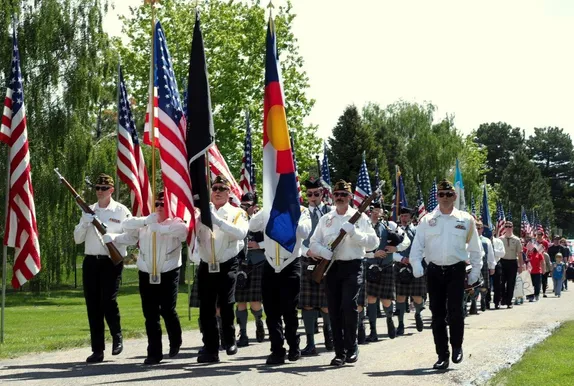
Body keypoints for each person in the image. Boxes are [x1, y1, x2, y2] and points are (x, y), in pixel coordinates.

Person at [410, 179, 482, 370]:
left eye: (449, 194)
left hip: (456, 270)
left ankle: (457, 345)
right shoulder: (426, 220)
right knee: (437, 314)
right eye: (441, 194)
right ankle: (442, 355)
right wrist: (416, 264)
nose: (445, 198)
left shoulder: (465, 219)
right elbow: (417, 246)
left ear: (455, 196)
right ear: (437, 196)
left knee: (456, 311)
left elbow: (475, 248)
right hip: (434, 270)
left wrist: (475, 270)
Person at [310, 180, 378, 366]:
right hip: (331, 268)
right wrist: (323, 251)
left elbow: (374, 243)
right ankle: (339, 352)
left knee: (349, 305)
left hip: (353, 266)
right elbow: (313, 242)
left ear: (350, 197)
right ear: (333, 196)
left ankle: (352, 346)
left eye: (343, 195)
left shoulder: (360, 218)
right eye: (337, 194)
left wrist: (355, 233)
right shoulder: (326, 219)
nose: (339, 197)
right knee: (334, 309)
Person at [73, 173, 134, 363]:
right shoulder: (89, 210)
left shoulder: (121, 211)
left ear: (111, 190)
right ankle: (97, 349)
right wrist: (85, 221)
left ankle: (117, 335)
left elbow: (132, 237)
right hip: (91, 261)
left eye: (103, 188)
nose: (99, 192)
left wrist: (114, 237)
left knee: (108, 301)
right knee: (93, 306)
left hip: (111, 261)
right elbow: (77, 239)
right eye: (97, 188)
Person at [121, 191, 187, 364]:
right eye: (156, 204)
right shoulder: (146, 222)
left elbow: (184, 232)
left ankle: (175, 339)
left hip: (168, 272)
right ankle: (154, 352)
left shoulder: (176, 222)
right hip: (146, 272)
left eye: (162, 204)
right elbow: (126, 224)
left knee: (167, 309)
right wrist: (145, 221)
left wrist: (163, 229)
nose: (158, 207)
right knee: (150, 314)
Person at [249, 197, 311, 365]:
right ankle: (277, 349)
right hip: (270, 263)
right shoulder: (268, 210)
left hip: (290, 263)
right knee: (271, 311)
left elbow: (304, 232)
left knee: (289, 310)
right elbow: (253, 225)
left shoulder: (303, 211)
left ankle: (293, 346)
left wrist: (290, 212)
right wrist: (268, 209)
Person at [195, 175, 249, 363]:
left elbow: (241, 233)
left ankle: (229, 339)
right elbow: (192, 235)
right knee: (206, 309)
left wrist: (216, 219)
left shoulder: (237, 213)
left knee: (226, 304)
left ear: (229, 192)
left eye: (221, 189)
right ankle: (210, 347)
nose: (217, 192)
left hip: (227, 263)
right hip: (206, 263)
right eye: (215, 188)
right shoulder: (199, 212)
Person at [364, 206, 410, 341]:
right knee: (371, 298)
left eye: (379, 210)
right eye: (373, 210)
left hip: (386, 266)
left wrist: (396, 248)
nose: (376, 213)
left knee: (386, 300)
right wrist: (372, 254)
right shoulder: (364, 224)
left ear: (383, 212)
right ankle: (373, 331)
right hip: (370, 265)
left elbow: (406, 241)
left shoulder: (390, 225)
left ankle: (389, 320)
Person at [299, 177, 333, 356]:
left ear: (322, 193)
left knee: (326, 304)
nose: (313, 197)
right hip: (307, 260)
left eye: (316, 194)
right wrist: (307, 252)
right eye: (310, 194)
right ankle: (310, 342)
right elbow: (295, 240)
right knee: (308, 305)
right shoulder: (300, 213)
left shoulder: (330, 212)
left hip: (327, 261)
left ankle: (330, 335)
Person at [235, 193, 266, 347]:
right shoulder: (237, 219)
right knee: (240, 300)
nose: (244, 208)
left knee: (255, 301)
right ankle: (243, 333)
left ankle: (259, 321)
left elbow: (272, 239)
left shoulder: (261, 220)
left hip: (258, 263)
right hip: (241, 263)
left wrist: (259, 245)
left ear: (255, 206)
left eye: (248, 205)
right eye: (243, 205)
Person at [395, 207, 426, 334]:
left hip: (416, 265)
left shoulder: (418, 231)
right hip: (400, 266)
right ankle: (401, 324)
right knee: (400, 296)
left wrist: (414, 259)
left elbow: (424, 248)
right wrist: (401, 258)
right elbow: (391, 250)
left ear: (411, 217)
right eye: (402, 216)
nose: (404, 218)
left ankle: (418, 314)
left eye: (406, 216)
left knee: (417, 296)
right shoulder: (395, 231)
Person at [498, 221, 524, 309]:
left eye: (510, 226)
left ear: (512, 228)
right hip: (502, 262)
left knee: (511, 283)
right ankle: (503, 299)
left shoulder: (516, 239)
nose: (508, 228)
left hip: (512, 262)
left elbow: (519, 254)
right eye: (506, 226)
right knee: (501, 283)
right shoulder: (500, 239)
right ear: (504, 228)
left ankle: (509, 301)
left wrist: (521, 266)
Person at [472, 220, 495, 314]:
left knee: (484, 286)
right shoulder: (469, 239)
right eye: (475, 228)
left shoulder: (486, 241)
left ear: (482, 229)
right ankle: (473, 303)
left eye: (478, 228)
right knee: (472, 286)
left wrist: (492, 266)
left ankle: (483, 300)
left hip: (484, 264)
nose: (477, 230)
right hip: (472, 264)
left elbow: (491, 255)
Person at [490, 235, 506, 309]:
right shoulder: (484, 240)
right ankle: (486, 301)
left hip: (497, 263)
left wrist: (492, 250)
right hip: (487, 264)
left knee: (498, 285)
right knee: (487, 285)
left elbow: (502, 253)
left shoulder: (498, 241)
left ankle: (497, 302)